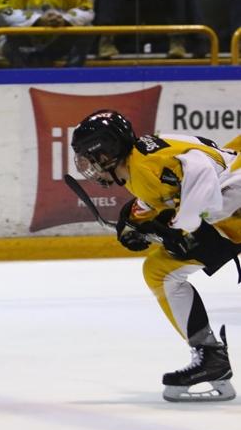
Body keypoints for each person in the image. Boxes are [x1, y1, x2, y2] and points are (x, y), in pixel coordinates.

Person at [71, 110, 241, 402]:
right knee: (159, 270)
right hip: (230, 204)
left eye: (90, 158)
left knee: (161, 271)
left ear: (106, 153)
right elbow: (172, 185)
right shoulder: (139, 159)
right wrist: (137, 219)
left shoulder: (143, 164)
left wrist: (181, 226)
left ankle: (210, 358)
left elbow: (200, 167)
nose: (90, 167)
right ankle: (210, 358)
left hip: (233, 208)